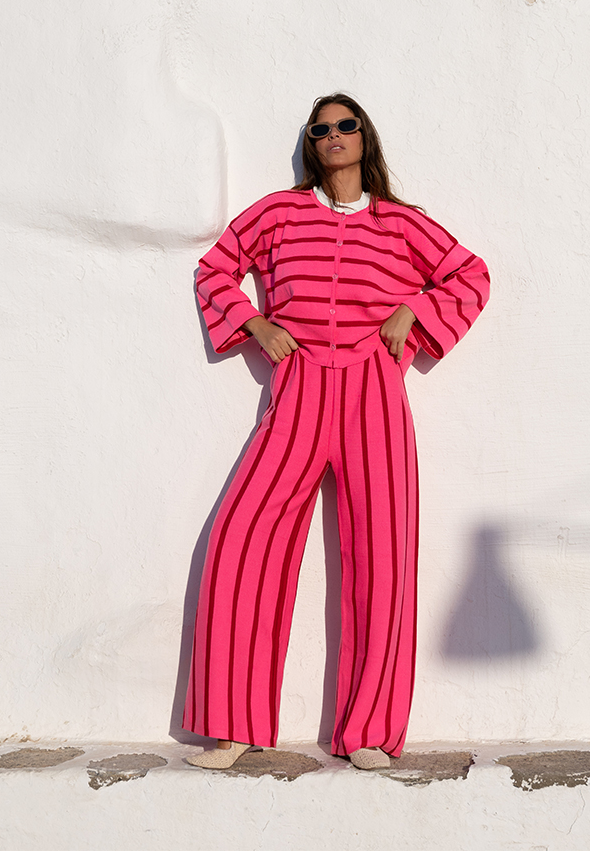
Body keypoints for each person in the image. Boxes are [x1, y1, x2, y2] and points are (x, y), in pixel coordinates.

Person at [184, 93, 490, 770]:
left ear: (365, 137)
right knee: (242, 538)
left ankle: (371, 732)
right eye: (320, 129)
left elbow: (470, 275)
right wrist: (254, 323)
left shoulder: (402, 223)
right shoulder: (279, 212)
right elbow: (216, 269)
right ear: (312, 145)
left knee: (384, 555)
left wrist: (417, 310)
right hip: (296, 384)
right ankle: (232, 725)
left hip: (373, 389)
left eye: (345, 125)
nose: (333, 136)